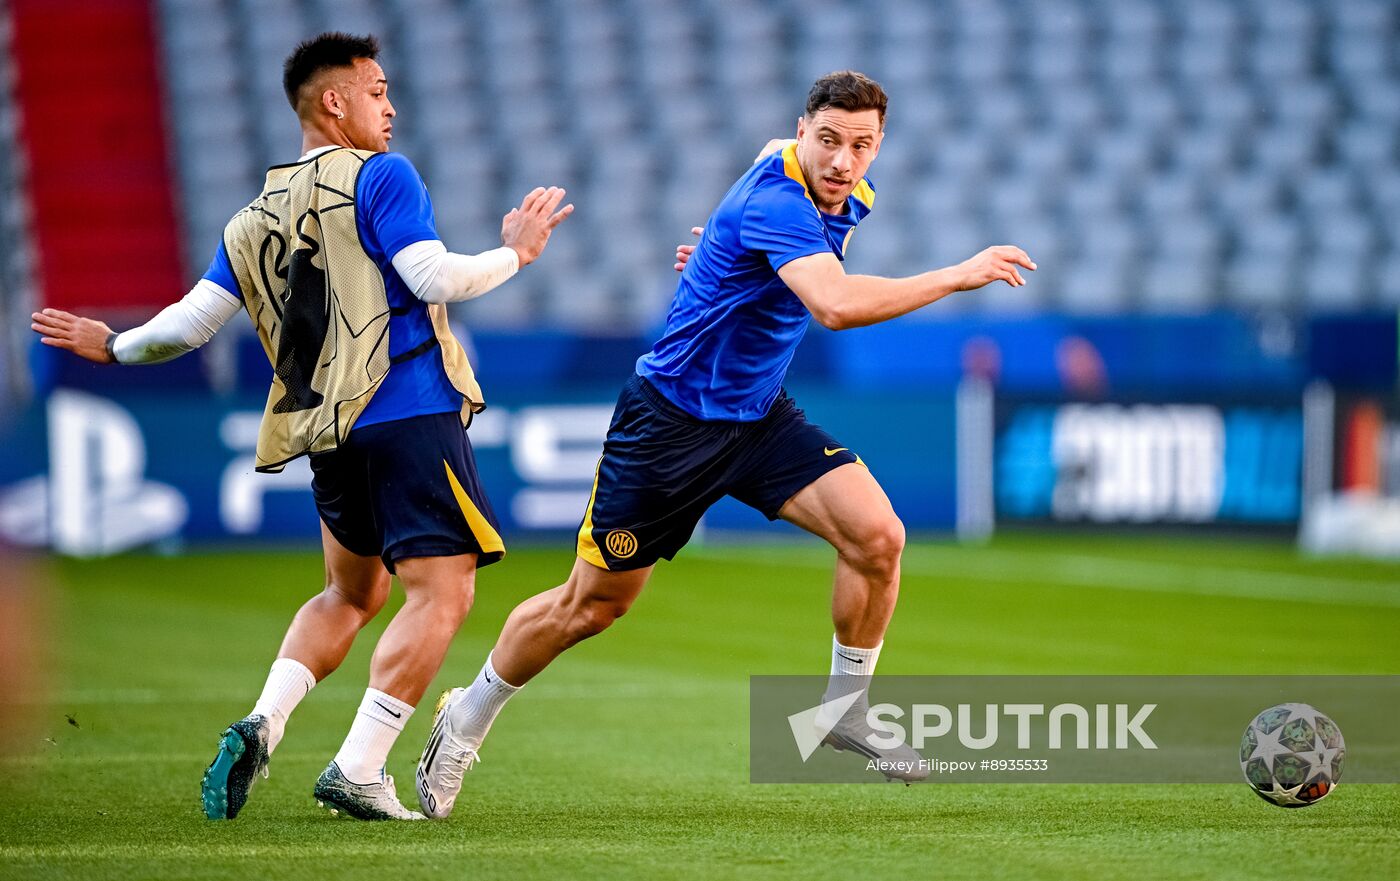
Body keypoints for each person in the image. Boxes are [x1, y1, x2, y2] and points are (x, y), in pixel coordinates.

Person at [413, 70, 1034, 817]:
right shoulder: (779, 197)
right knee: (592, 606)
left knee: (878, 537)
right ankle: (465, 718)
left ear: (878, 146)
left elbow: (769, 224)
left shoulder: (836, 191)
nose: (842, 160)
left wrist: (718, 254)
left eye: (861, 145)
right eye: (828, 140)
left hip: (758, 417)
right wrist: (958, 274)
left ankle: (845, 708)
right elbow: (833, 305)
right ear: (802, 131)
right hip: (669, 425)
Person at [30, 32, 571, 821]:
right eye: (378, 90)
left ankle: (264, 719)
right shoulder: (382, 175)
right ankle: (358, 766)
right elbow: (429, 275)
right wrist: (516, 254)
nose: (391, 107)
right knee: (442, 591)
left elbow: (185, 327)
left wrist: (110, 344)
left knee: (350, 594)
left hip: (326, 433)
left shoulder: (253, 217)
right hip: (407, 408)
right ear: (334, 101)